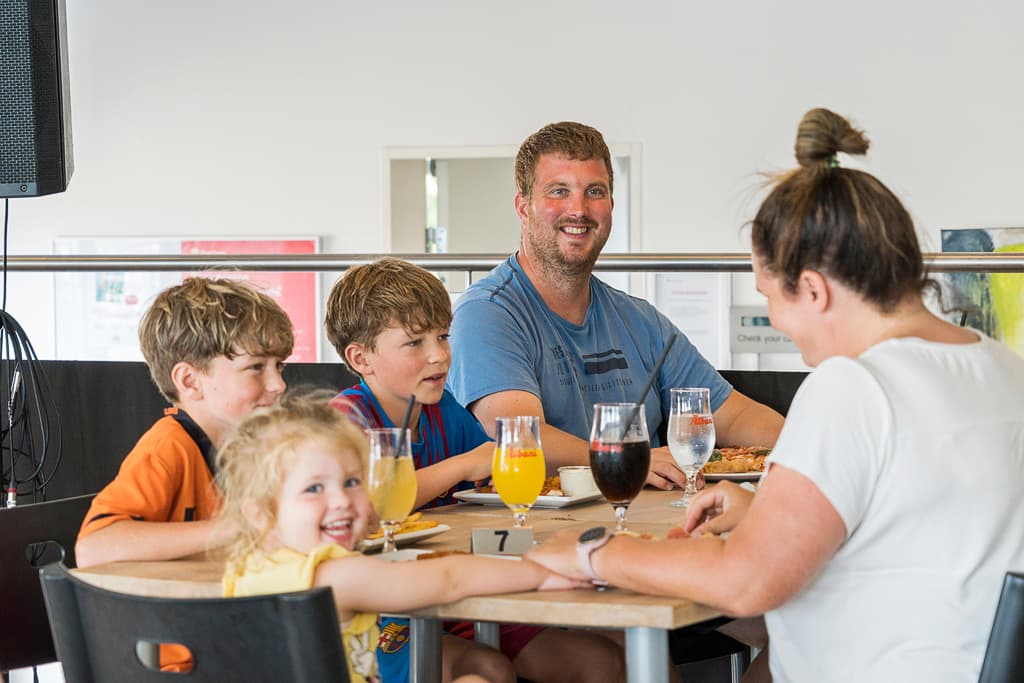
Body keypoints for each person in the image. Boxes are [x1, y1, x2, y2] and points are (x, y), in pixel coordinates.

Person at [525, 108, 1024, 682]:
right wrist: (766, 514)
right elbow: (918, 528)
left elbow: (745, 580)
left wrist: (592, 551)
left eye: (771, 296)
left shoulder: (854, 386)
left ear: (812, 289)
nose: (776, 321)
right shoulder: (999, 366)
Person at [323, 257, 627, 683]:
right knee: (488, 669)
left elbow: (496, 474)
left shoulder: (443, 408)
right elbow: (368, 506)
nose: (438, 355)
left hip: (464, 595)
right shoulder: (342, 422)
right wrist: (464, 465)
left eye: (443, 336)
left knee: (609, 659)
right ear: (362, 358)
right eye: (414, 343)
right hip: (379, 615)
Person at [447, 121, 784, 491]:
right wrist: (626, 456)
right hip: (536, 533)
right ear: (523, 207)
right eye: (559, 191)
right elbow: (521, 438)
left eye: (594, 191)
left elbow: (732, 417)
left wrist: (809, 447)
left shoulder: (641, 320)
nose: (578, 209)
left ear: (610, 205)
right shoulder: (487, 313)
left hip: (650, 526)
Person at [217, 389, 599, 683]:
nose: (342, 501)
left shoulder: (248, 569)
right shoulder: (329, 576)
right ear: (259, 511)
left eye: (352, 482)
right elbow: (449, 579)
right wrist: (546, 571)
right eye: (313, 489)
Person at [76, 276, 293, 568]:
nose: (278, 384)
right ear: (190, 381)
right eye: (256, 367)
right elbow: (93, 548)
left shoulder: (252, 449)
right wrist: (235, 528)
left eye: (278, 366)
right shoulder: (168, 446)